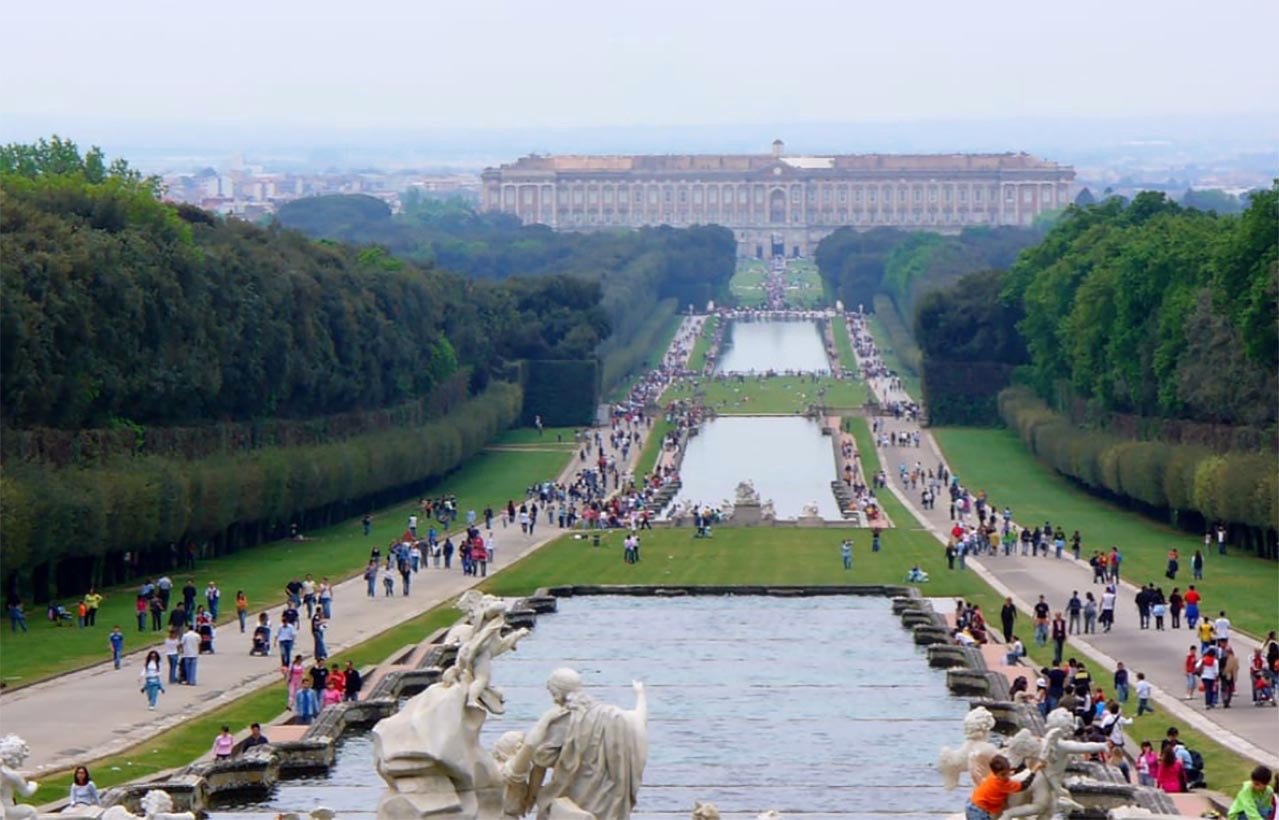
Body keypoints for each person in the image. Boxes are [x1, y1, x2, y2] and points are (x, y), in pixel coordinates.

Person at [965, 754, 1040, 820]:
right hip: (979, 811)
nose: (1007, 776)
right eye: (1003, 774)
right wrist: (1034, 770)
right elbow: (1024, 785)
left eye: (1008, 772)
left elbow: (1011, 772)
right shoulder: (1002, 784)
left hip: (972, 803)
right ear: (996, 773)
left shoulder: (993, 776)